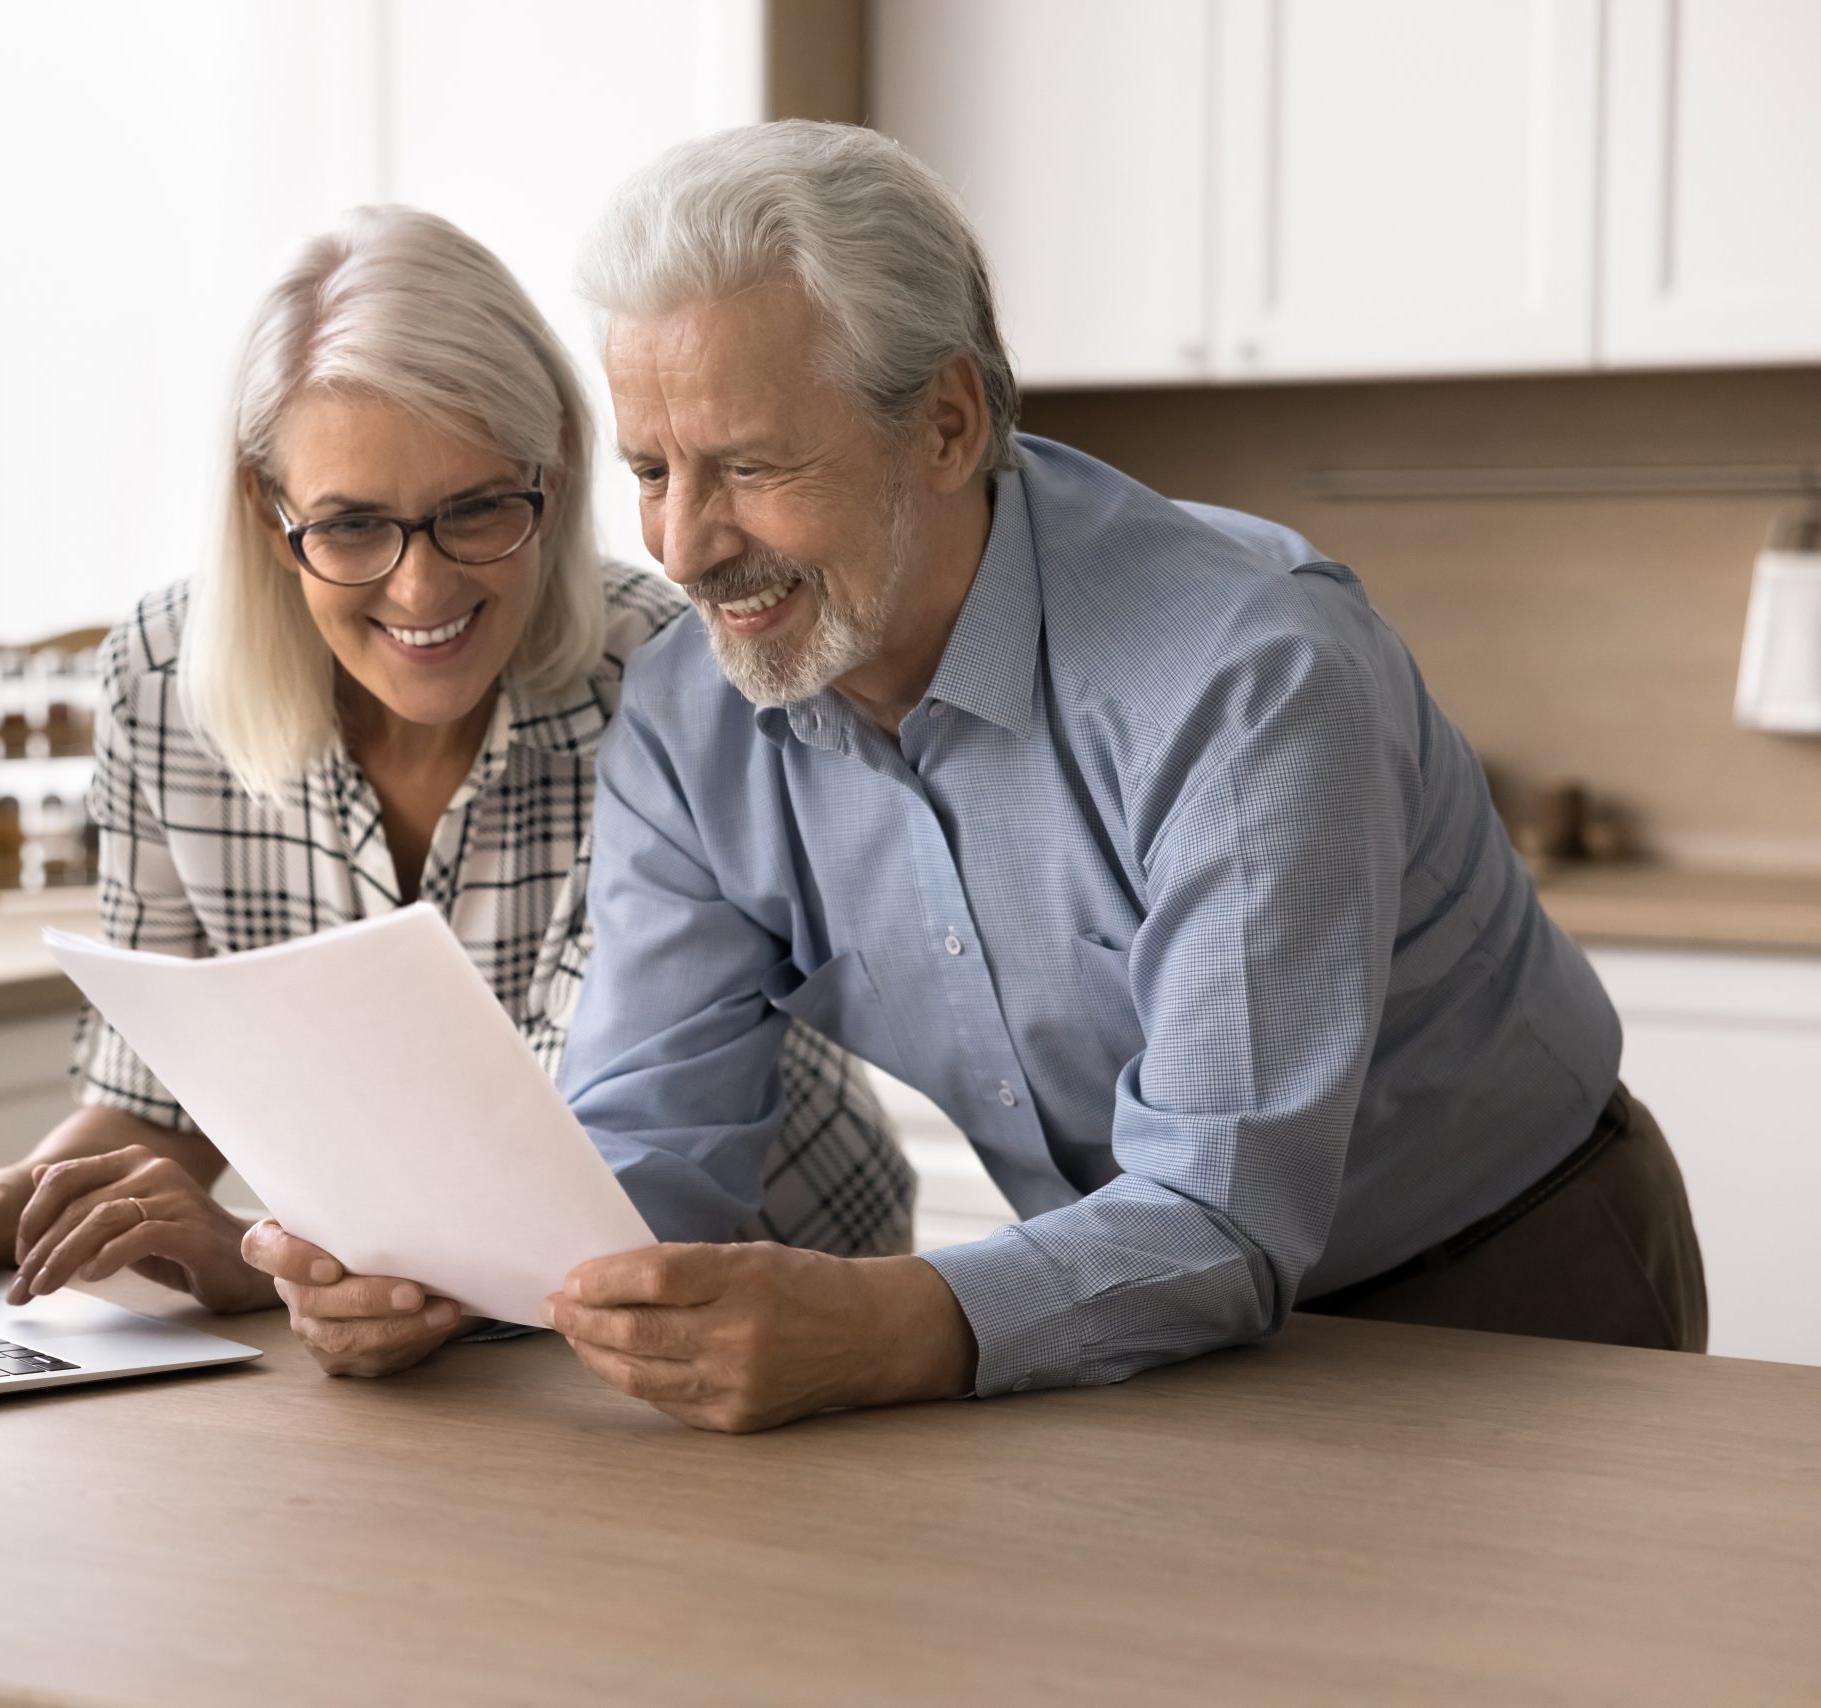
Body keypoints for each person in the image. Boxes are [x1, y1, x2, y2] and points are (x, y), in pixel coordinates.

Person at [243, 122, 1706, 1431]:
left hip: (1507, 1290)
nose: (683, 547)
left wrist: (893, 1321)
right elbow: (654, 1152)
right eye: (650, 470)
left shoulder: (1242, 671)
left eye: (748, 466)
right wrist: (453, 1273)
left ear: (945, 424)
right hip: (1128, 1316)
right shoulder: (695, 717)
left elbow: (1222, 1206)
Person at [0, 205, 910, 1367]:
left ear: (557, 474)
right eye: (352, 525)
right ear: (267, 519)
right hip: (458, 1345)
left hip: (770, 1301)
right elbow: (160, 1101)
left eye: (478, 508)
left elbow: (572, 1187)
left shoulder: (673, 683)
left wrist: (245, 1258)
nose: (421, 588)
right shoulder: (162, 680)